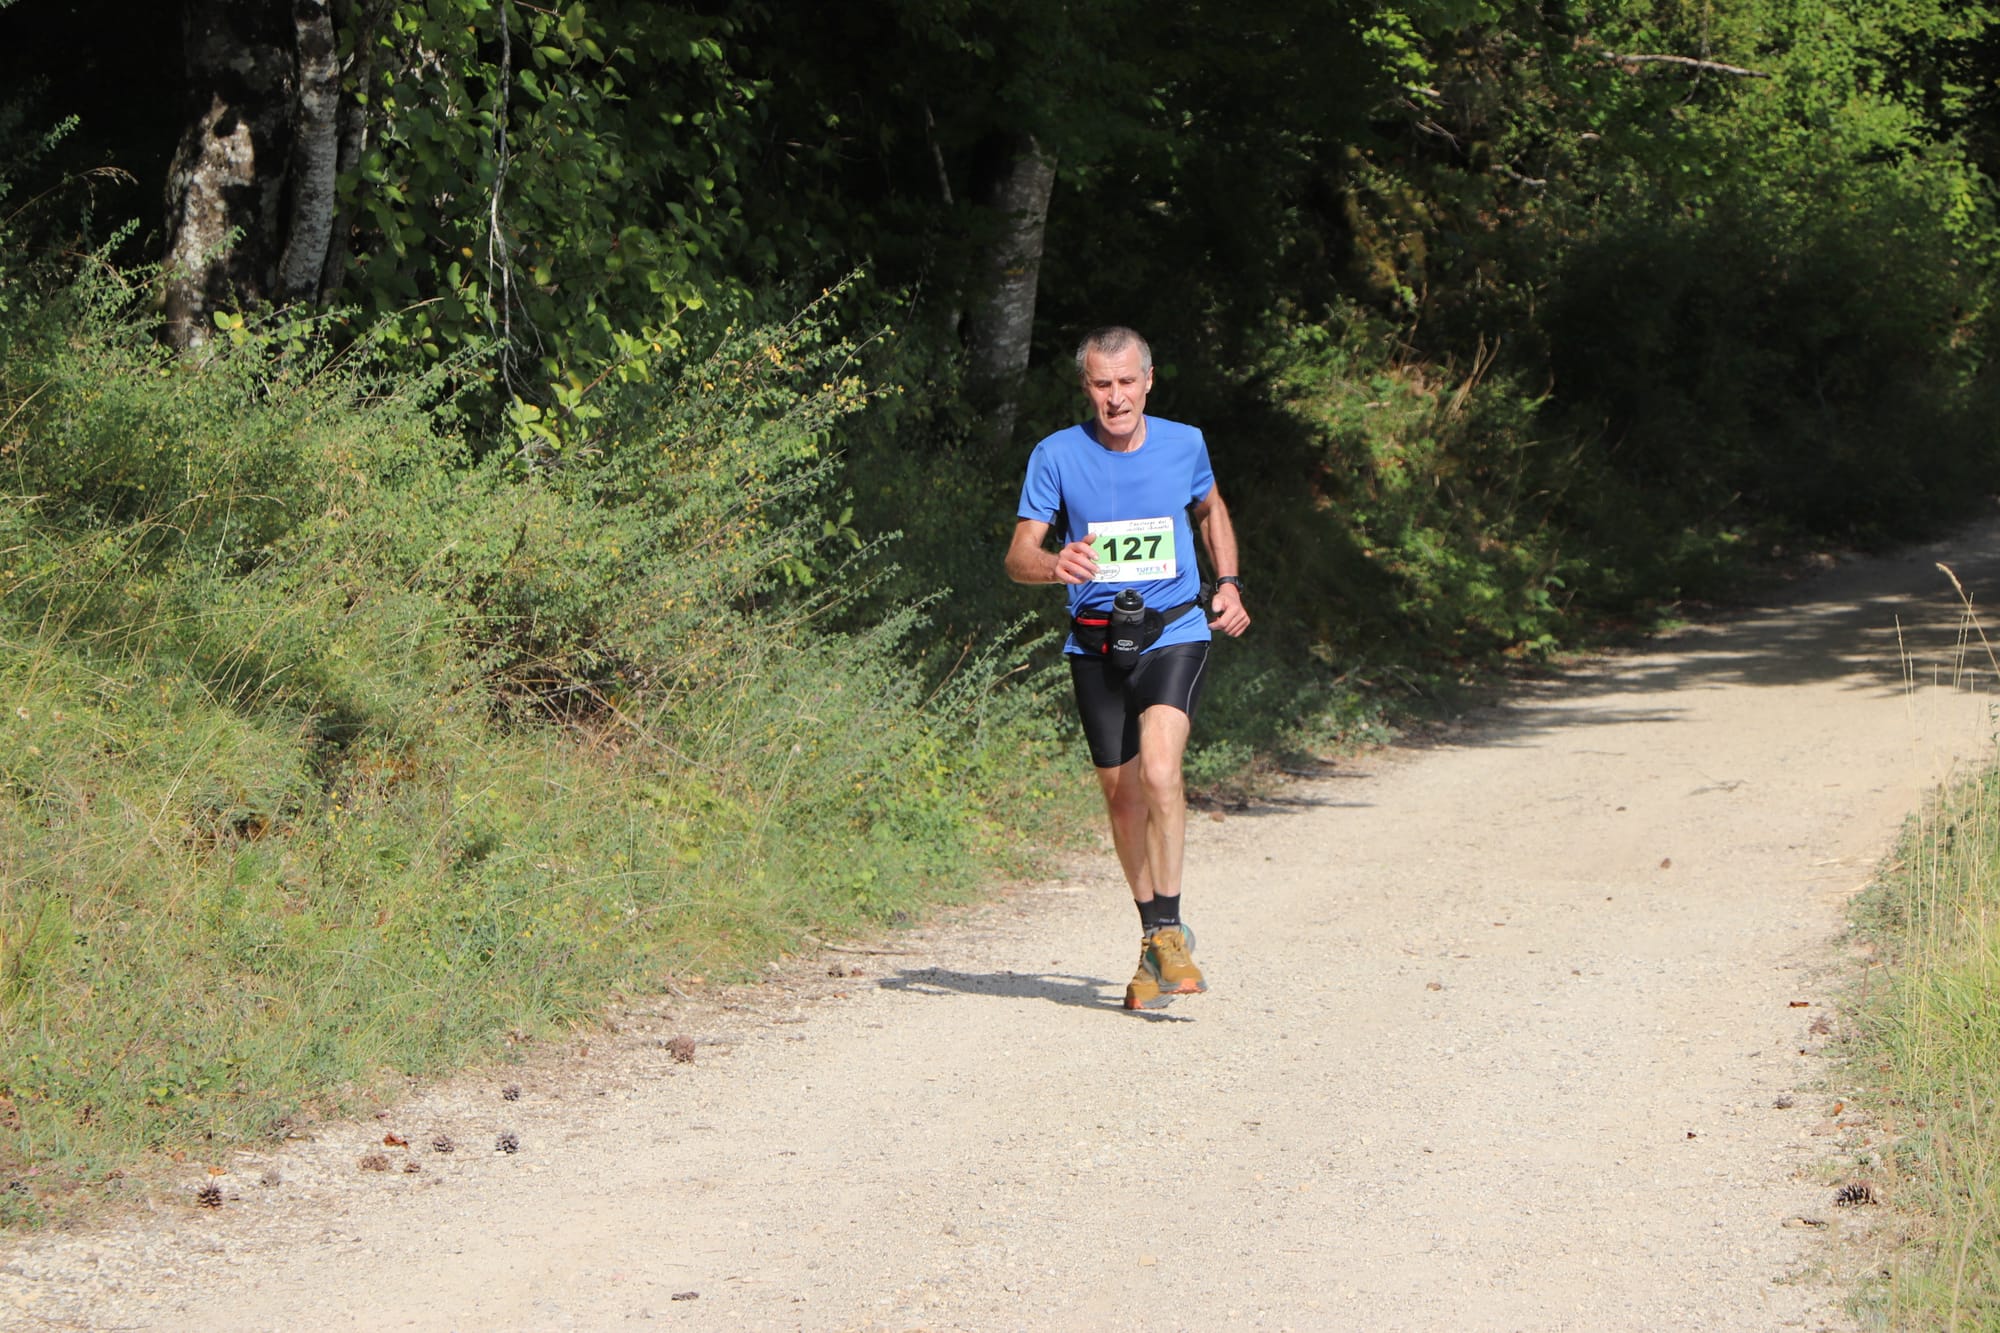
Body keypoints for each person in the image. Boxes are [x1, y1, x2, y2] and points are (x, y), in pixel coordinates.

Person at [1005, 326, 1250, 1010]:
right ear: (1087, 388)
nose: (1115, 398)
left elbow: (1210, 508)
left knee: (1160, 770)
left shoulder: (1185, 442)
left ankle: (1170, 932)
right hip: (1094, 643)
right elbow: (1019, 553)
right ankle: (1152, 937)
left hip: (1175, 629)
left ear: (1148, 381)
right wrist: (1054, 564)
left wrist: (1227, 581)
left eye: (1125, 382)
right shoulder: (1055, 455)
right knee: (1122, 796)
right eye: (1100, 384)